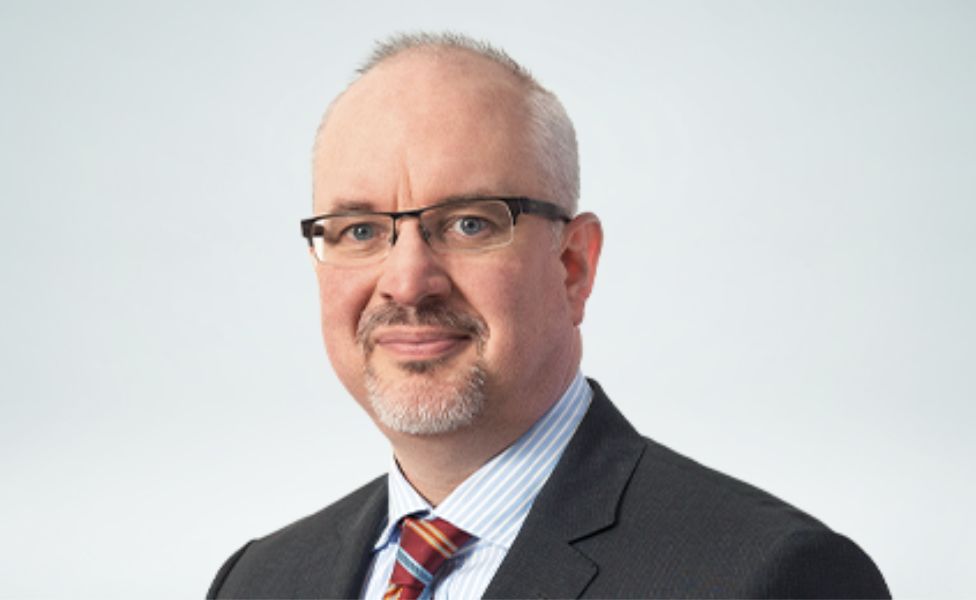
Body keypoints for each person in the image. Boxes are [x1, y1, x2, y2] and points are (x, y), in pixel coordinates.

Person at [208, 32, 890, 599]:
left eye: (469, 223)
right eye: (359, 231)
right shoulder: (258, 582)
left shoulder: (771, 578)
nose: (407, 281)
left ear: (573, 266)